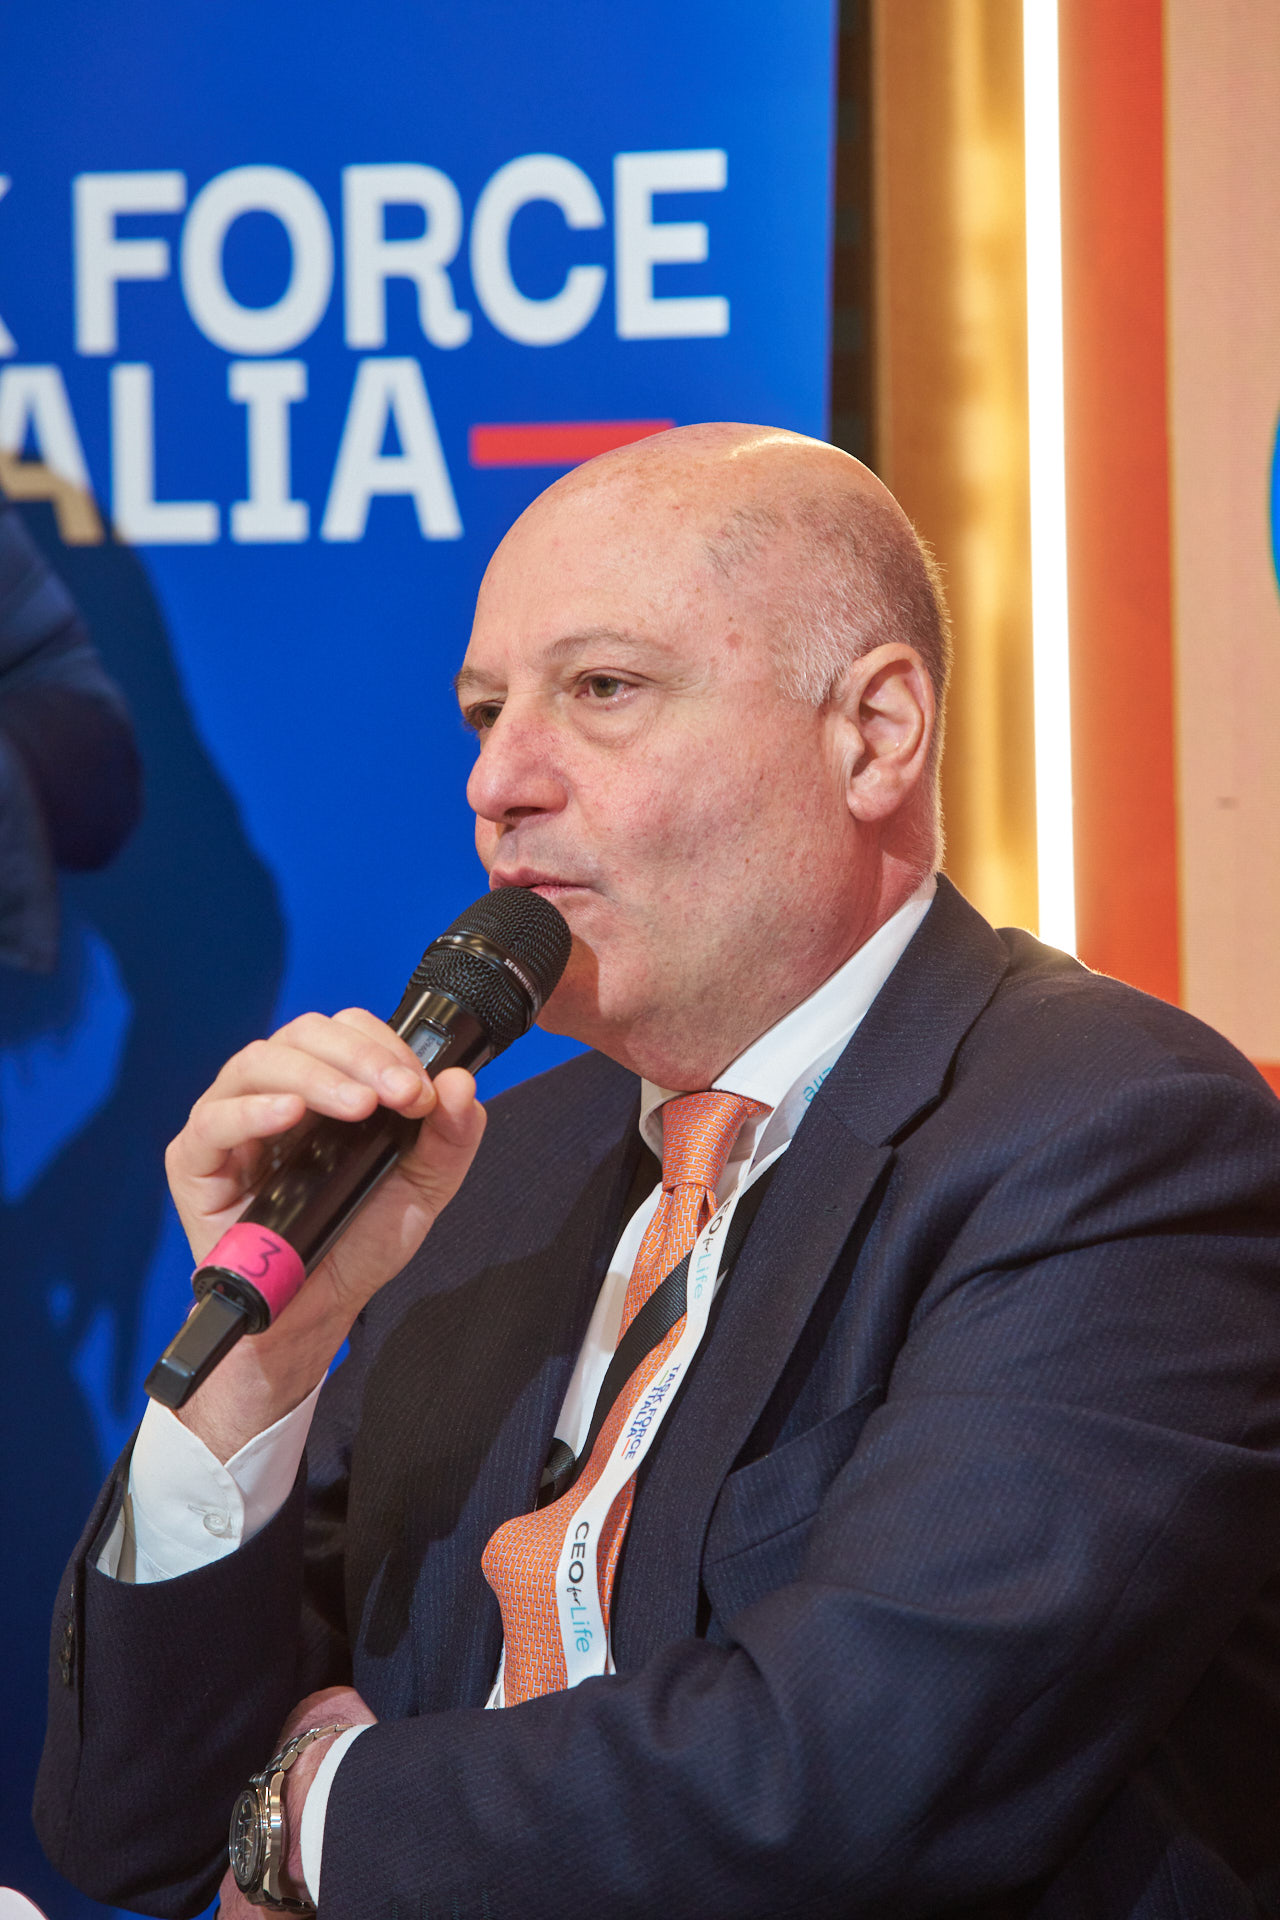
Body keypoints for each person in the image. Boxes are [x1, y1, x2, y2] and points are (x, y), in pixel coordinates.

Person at [35, 425, 1280, 1920]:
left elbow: (842, 1775)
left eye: (603, 690)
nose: (497, 779)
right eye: (484, 710)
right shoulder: (479, 1174)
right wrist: (264, 1368)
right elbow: (135, 1826)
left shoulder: (1115, 1137)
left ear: (875, 732)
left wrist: (309, 1808)